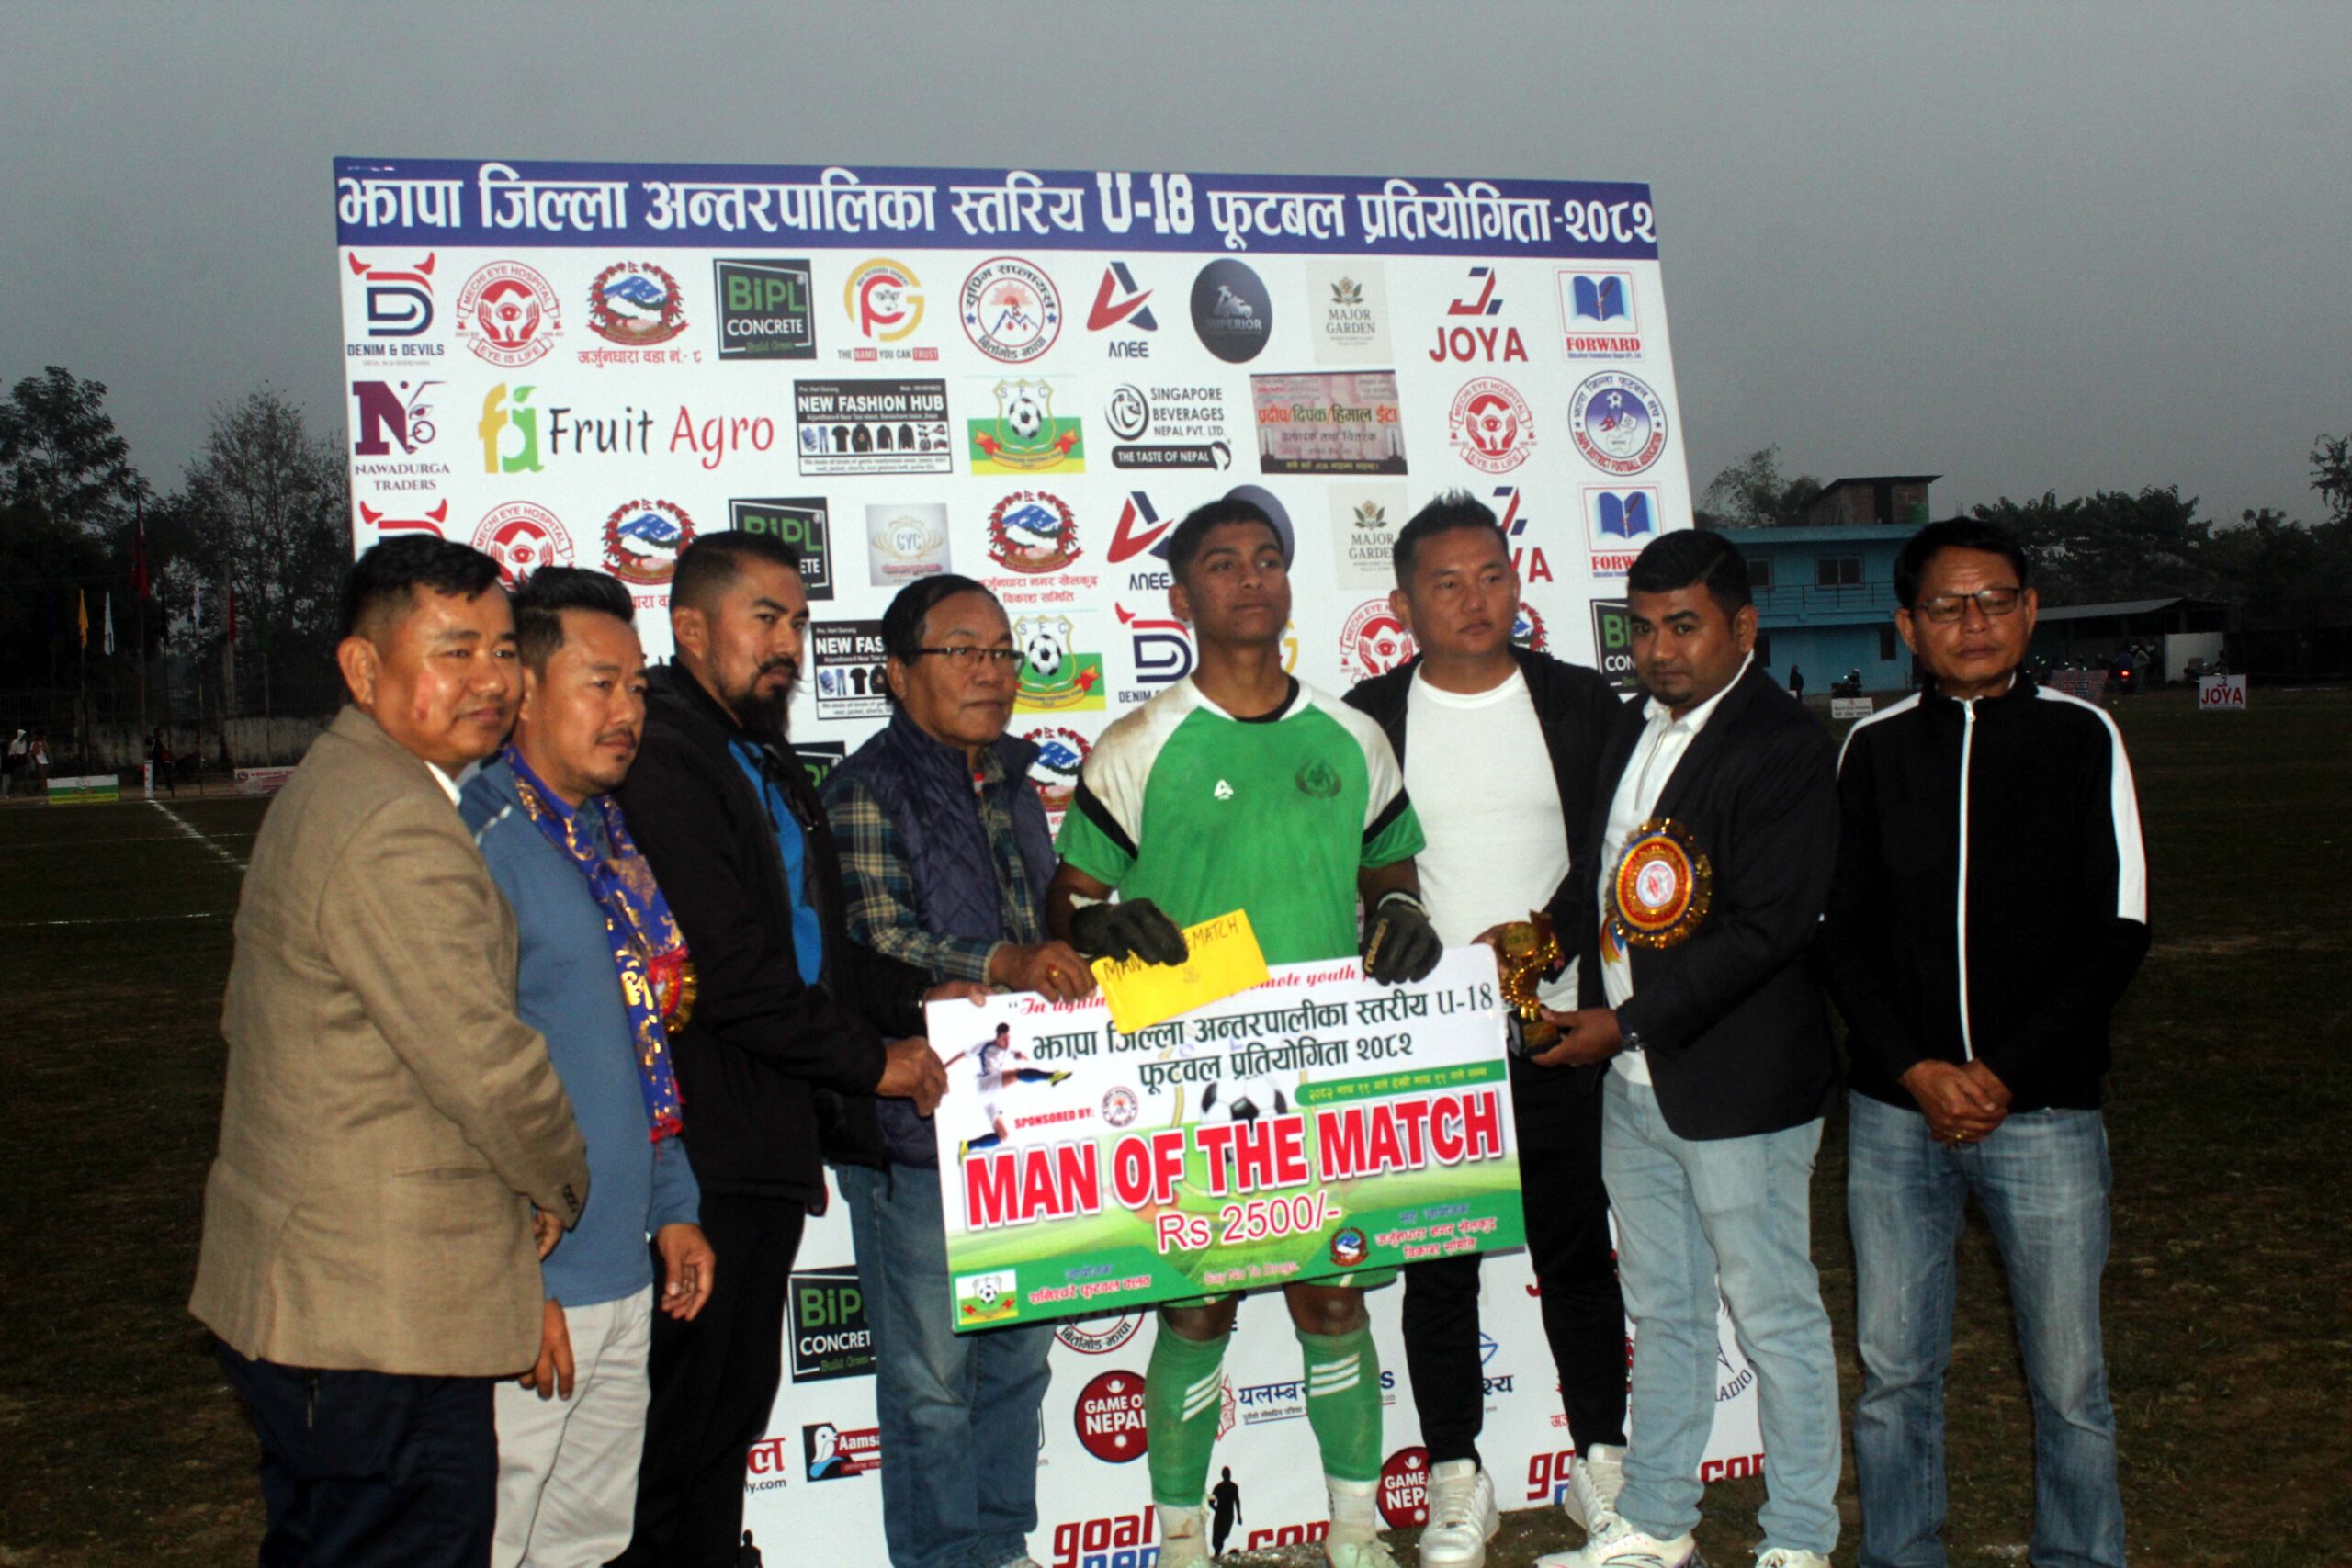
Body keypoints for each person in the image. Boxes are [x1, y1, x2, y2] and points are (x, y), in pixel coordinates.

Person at [1046, 497, 1442, 1568]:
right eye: (1222, 564)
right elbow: (1068, 896)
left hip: (1322, 1078)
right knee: (1194, 1316)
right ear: (1182, 596)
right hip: (1189, 1081)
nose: (1251, 578)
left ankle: (1355, 1536)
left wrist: (1401, 910)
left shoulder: (1352, 737)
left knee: (1333, 1301)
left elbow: (1390, 869)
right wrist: (1090, 922)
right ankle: (1181, 1545)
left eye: (1267, 558)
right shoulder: (1135, 745)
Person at [189, 536, 590, 1567]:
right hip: (375, 1316)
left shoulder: (349, 785)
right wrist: (561, 1178)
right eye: (455, 651)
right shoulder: (393, 824)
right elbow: (486, 1066)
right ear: (363, 668)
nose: (492, 680)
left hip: (327, 1308)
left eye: (504, 651)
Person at [611, 531, 946, 1568]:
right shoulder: (664, 756)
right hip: (700, 1146)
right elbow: (728, 969)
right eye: (765, 619)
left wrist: (922, 998)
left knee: (724, 1416)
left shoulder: (754, 752)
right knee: (677, 1426)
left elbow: (819, 951)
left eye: (798, 622)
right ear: (689, 627)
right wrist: (874, 1062)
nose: (788, 644)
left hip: (764, 1135)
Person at [1825, 519, 2148, 1568]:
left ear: (2030, 610)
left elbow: (2119, 930)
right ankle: (1901, 1553)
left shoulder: (2082, 737)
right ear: (1907, 626)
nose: (1974, 622)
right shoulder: (1872, 750)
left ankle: (2079, 1554)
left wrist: (2005, 1070)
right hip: (1896, 1114)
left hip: (2042, 1110)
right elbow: (1839, 933)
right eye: (1948, 606)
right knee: (1894, 1374)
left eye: (1995, 600)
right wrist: (1914, 1068)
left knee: (2069, 1380)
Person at [1536, 529, 1841, 1568]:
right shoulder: (1634, 726)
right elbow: (1602, 873)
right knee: (1663, 1311)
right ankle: (1659, 1521)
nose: (1659, 650)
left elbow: (1768, 928)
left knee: (1774, 1317)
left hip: (1738, 1084)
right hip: (1634, 1084)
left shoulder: (1785, 745)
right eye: (1642, 629)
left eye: (1683, 627)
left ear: (1742, 627)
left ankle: (1799, 1538)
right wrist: (1540, 939)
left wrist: (1622, 1023)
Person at [1341, 492, 1630, 1566]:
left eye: (1492, 577)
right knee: (1438, 1267)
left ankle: (1601, 1462)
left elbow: (1622, 852)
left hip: (1557, 1030)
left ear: (1517, 582)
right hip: (1426, 1045)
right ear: (1403, 604)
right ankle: (1456, 1475)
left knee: (1576, 1252)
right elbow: (1347, 861)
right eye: (1447, 583)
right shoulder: (1367, 717)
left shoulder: (1578, 701)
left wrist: (1550, 939)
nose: (1475, 600)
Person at [819, 573, 1095, 1568]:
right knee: (931, 1384)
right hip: (919, 1125)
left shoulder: (1013, 779)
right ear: (898, 673)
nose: (991, 671)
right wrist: (1007, 963)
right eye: (962, 651)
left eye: (1003, 651)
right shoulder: (864, 789)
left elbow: (1038, 928)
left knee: (1018, 1357)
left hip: (1025, 1120)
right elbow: (874, 940)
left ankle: (1001, 1546)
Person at [458, 568, 718, 1568]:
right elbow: (457, 1081)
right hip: (531, 1288)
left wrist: (673, 1199)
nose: (628, 711)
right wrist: (510, 1288)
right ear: (523, 690)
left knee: (586, 1546)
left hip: (620, 1268)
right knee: (490, 1539)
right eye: (600, 684)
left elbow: (637, 1040)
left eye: (638, 688)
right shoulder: (479, 840)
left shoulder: (608, 837)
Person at [1210, 1468, 1243, 1557]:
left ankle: (1217, 1555)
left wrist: (1239, 1515)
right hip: (1220, 1516)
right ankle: (1217, 1555)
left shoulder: (1233, 1487)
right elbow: (1210, 1502)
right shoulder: (1218, 1487)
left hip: (1228, 1516)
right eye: (1226, 1474)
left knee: (1221, 1537)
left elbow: (1237, 1501)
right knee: (1216, 1539)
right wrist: (1217, 1509)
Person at [4, 728, 26, 795]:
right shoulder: (14, 742)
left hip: (23, 760)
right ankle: (11, 792)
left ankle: (22, 791)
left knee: (23, 777)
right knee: (14, 777)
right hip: (16, 761)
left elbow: (23, 751)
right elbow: (11, 753)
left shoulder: (24, 742)